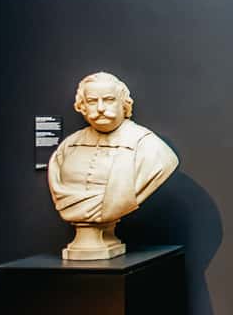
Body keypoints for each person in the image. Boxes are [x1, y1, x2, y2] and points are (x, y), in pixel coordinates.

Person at [48, 72, 179, 260]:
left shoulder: (151, 148)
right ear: (82, 106)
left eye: (109, 100)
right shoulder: (67, 147)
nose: (100, 108)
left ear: (123, 104)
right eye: (92, 101)